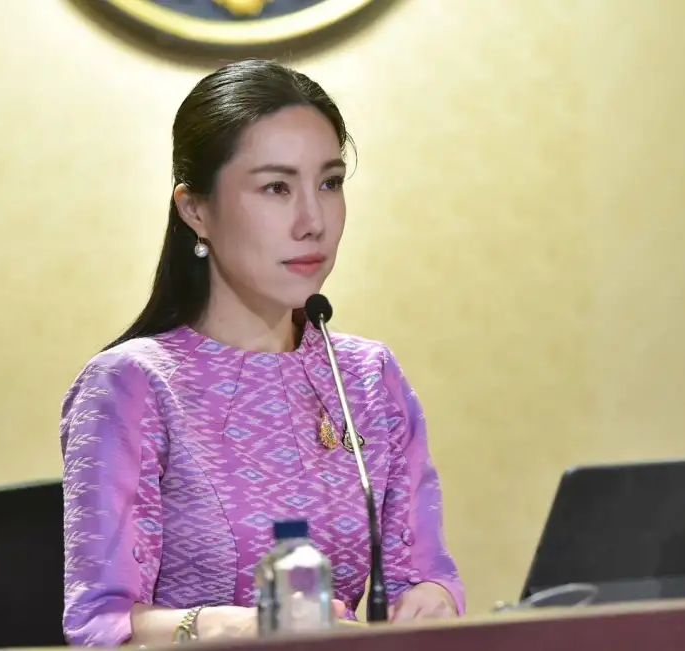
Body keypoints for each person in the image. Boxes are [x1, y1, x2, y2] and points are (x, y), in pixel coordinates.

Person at [59, 58, 465, 648]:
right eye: (276, 187)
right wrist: (240, 626)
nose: (313, 221)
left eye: (330, 183)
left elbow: (424, 574)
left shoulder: (367, 377)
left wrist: (431, 599)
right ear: (195, 210)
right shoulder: (132, 385)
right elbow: (101, 623)